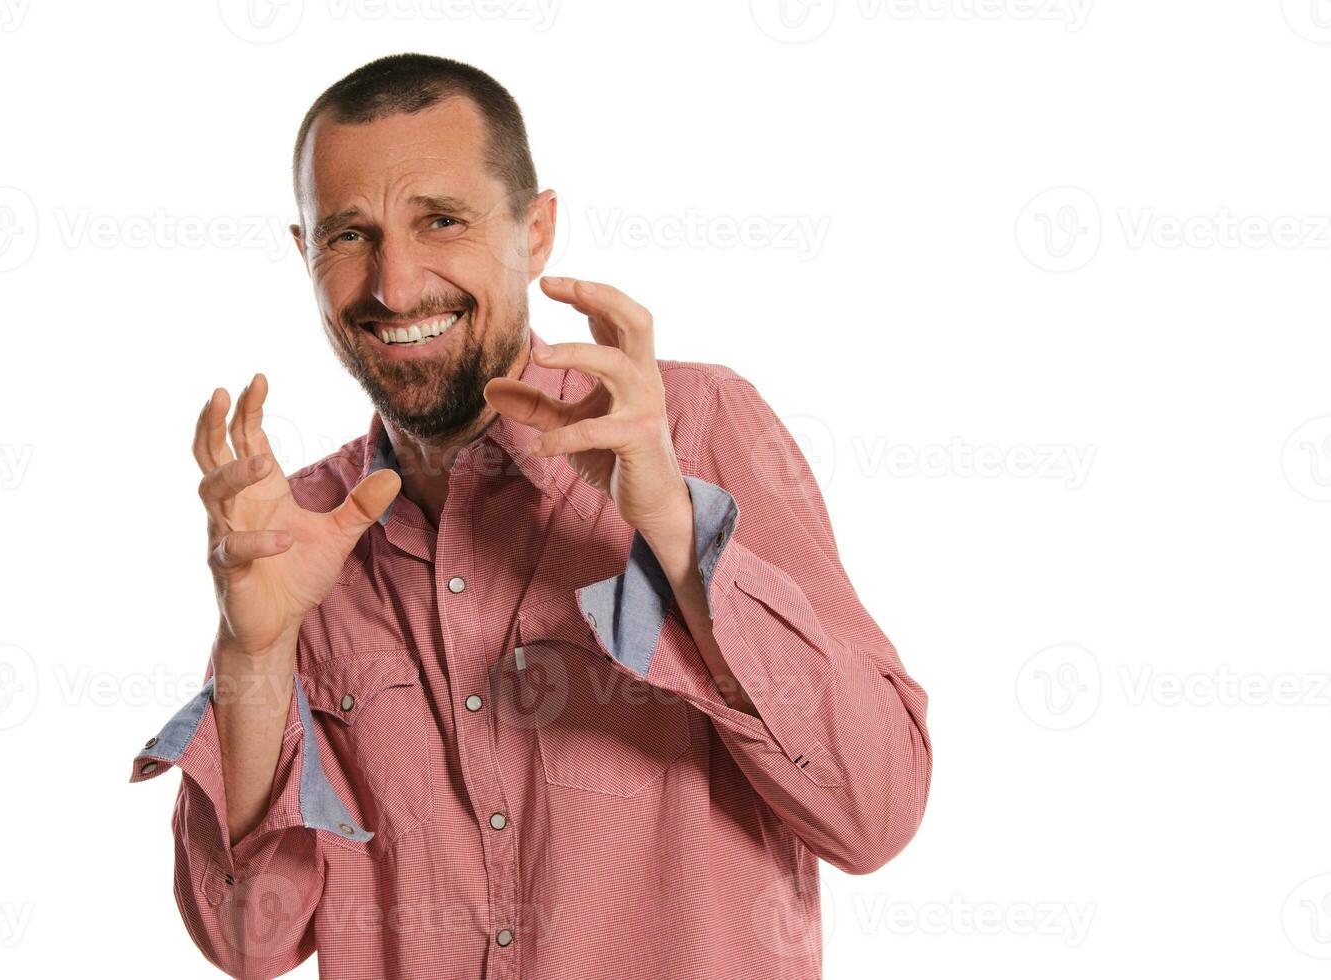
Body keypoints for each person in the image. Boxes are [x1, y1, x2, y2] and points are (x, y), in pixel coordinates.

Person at [130, 51, 932, 980]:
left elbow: (877, 815)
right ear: (304, 251)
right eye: (349, 234)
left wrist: (675, 533)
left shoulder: (697, 428)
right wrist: (254, 656)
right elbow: (249, 942)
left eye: (442, 221)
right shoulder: (300, 529)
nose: (394, 286)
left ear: (536, 229)